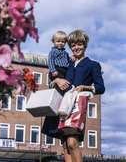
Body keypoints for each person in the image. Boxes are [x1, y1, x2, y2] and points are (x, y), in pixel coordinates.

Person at [49, 29, 105, 162]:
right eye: (73, 45)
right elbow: (52, 79)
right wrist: (57, 80)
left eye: (79, 44)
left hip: (78, 105)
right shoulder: (68, 63)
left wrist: (85, 87)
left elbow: (101, 87)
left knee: (72, 143)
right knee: (65, 146)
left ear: (85, 45)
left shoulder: (93, 65)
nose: (76, 48)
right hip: (63, 104)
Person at [48, 30, 74, 95]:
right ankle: (56, 92)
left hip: (64, 70)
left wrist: (71, 59)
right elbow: (50, 61)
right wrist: (53, 70)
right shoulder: (53, 51)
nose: (60, 43)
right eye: (58, 41)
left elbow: (68, 61)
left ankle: (62, 93)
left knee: (64, 83)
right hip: (57, 69)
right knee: (57, 83)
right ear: (53, 41)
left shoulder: (66, 53)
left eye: (63, 42)